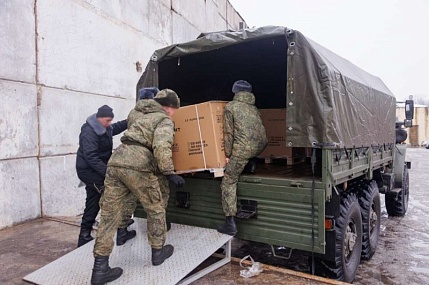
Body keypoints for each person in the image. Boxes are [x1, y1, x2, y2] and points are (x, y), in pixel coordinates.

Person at [90, 89, 185, 285]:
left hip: (116, 161)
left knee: (109, 214)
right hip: (138, 164)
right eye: (175, 109)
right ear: (169, 107)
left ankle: (100, 269)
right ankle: (158, 252)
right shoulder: (164, 119)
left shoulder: (141, 117)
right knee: (155, 208)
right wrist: (169, 172)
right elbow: (161, 146)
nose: (174, 113)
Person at [76, 105, 136, 247]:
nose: (109, 123)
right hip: (89, 171)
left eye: (110, 120)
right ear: (99, 118)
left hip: (98, 169)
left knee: (93, 200)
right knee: (114, 195)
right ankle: (121, 229)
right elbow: (91, 157)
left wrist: (131, 120)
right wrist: (108, 173)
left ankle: (84, 236)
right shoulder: (89, 132)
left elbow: (116, 127)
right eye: (107, 120)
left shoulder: (105, 127)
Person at [217, 80, 268, 236]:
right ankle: (250, 163)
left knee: (228, 181)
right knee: (248, 149)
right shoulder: (254, 108)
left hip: (242, 151)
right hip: (260, 146)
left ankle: (230, 222)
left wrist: (227, 155)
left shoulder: (231, 107)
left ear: (235, 92)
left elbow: (229, 134)